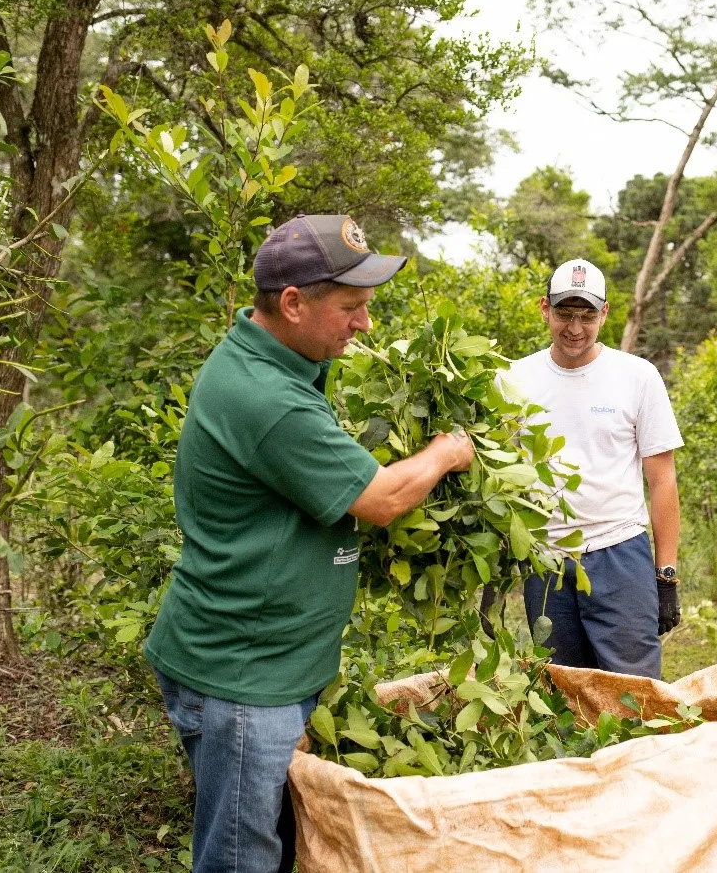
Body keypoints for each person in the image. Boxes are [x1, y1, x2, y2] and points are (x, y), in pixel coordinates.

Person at [143, 214, 474, 873]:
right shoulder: (266, 397)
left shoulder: (276, 360)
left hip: (267, 663)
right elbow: (381, 498)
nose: (365, 325)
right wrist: (445, 452)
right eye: (351, 308)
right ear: (292, 303)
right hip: (245, 676)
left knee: (270, 841)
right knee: (241, 858)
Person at [502, 259, 683, 679]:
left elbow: (662, 480)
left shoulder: (637, 376)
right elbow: (500, 474)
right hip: (545, 561)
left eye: (586, 316)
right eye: (564, 313)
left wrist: (666, 576)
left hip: (619, 553)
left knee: (634, 692)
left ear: (604, 314)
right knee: (563, 689)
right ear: (544, 308)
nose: (575, 328)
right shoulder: (513, 380)